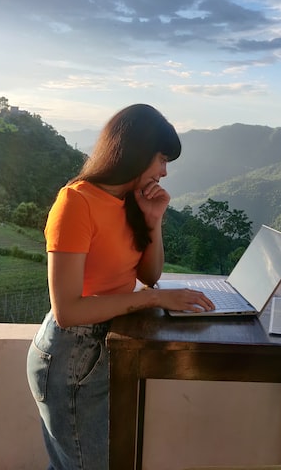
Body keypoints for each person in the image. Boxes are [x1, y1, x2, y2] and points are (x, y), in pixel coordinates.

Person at [26, 103, 214, 470]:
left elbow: (150, 274)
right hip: (72, 357)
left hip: (108, 345)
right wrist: (153, 300)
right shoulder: (76, 202)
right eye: (161, 159)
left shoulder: (127, 202)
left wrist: (153, 221)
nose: (164, 172)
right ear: (136, 151)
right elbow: (68, 311)